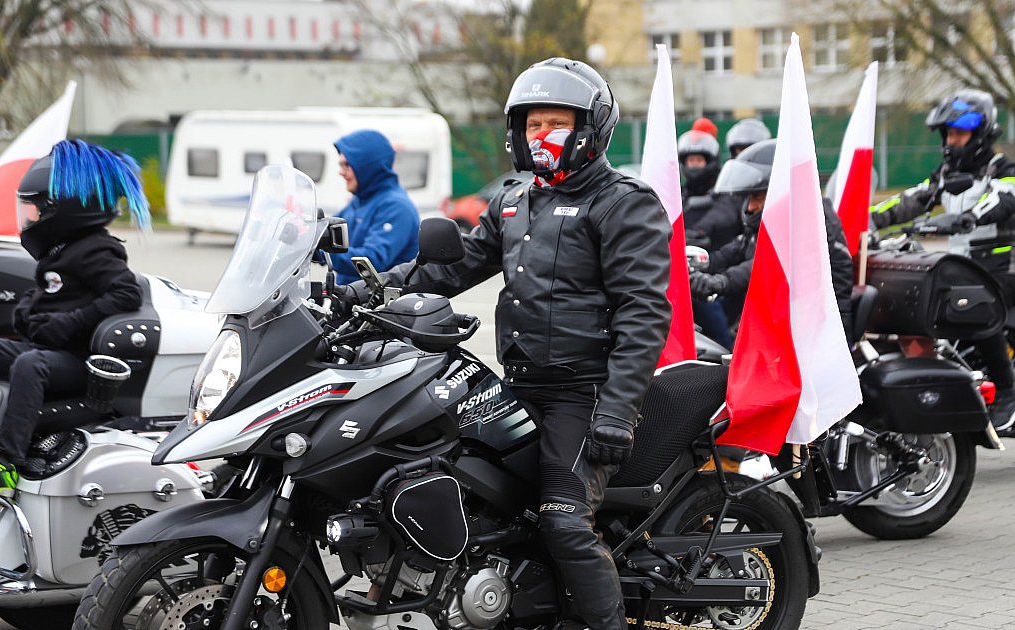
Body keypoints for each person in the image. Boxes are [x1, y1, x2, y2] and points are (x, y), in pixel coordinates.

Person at [347, 58, 670, 629]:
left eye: (556, 122)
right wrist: (367, 292)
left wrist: (617, 413)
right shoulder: (515, 200)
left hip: (585, 394)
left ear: (591, 127)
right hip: (520, 383)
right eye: (531, 123)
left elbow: (643, 313)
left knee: (564, 518)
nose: (540, 134)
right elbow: (453, 268)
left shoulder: (623, 203)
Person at [0, 139, 148, 496]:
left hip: (76, 362)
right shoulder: (59, 253)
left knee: (30, 364)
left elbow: (126, 293)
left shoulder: (97, 248)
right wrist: (28, 312)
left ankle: (5, 464)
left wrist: (69, 322)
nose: (32, 218)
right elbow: (47, 295)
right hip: (42, 351)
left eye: (37, 210)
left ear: (68, 208)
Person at [870, 89, 1015, 431]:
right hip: (964, 268)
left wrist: (969, 217)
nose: (953, 141)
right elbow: (910, 200)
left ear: (981, 133)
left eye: (960, 133)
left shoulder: (1003, 167)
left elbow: (1003, 198)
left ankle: (1008, 393)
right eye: (950, 134)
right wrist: (864, 218)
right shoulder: (944, 174)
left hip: (1005, 266)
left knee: (974, 305)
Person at [689, 140, 854, 340]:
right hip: (780, 324)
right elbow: (732, 252)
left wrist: (720, 282)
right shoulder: (770, 225)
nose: (750, 207)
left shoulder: (814, 220)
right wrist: (687, 266)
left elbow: (770, 263)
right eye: (749, 199)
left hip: (818, 334)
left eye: (757, 198)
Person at [328, 129, 420, 283]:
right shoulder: (359, 201)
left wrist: (321, 252)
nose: (341, 172)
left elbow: (371, 261)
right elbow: (327, 229)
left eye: (347, 165)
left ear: (366, 166)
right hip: (347, 300)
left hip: (378, 304)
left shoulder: (396, 207)